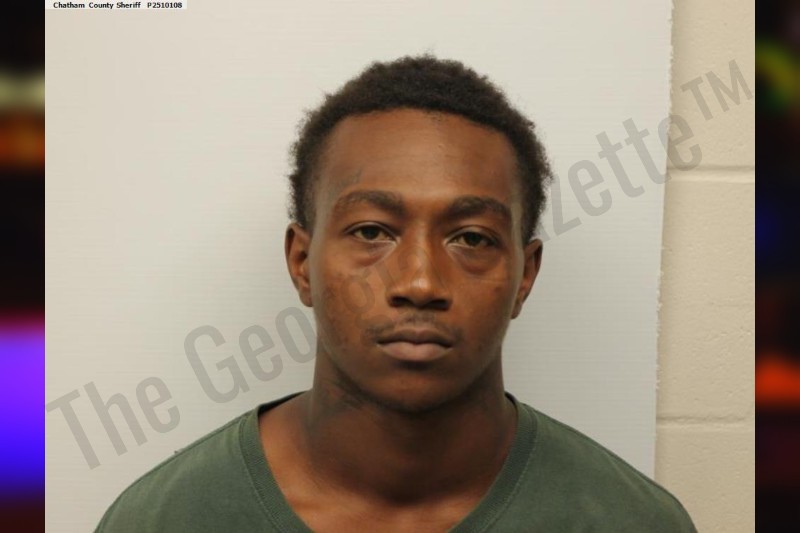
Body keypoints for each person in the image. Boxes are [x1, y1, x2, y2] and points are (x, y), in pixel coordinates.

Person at [95, 56, 696, 532]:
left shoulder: (630, 522)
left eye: (471, 238)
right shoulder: (162, 520)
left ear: (525, 276)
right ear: (302, 263)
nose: (419, 284)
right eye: (371, 232)